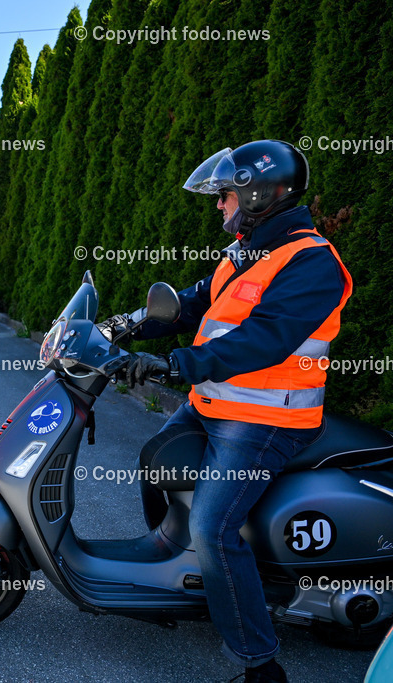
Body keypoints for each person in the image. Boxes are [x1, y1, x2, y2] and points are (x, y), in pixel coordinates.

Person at [104, 140, 352, 683]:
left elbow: (264, 341)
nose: (220, 205)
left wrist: (174, 365)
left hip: (268, 420)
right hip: (215, 404)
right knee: (157, 465)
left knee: (213, 526)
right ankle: (184, 581)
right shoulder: (247, 252)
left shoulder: (313, 262)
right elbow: (190, 303)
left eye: (227, 195)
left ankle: (259, 662)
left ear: (260, 194)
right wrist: (121, 326)